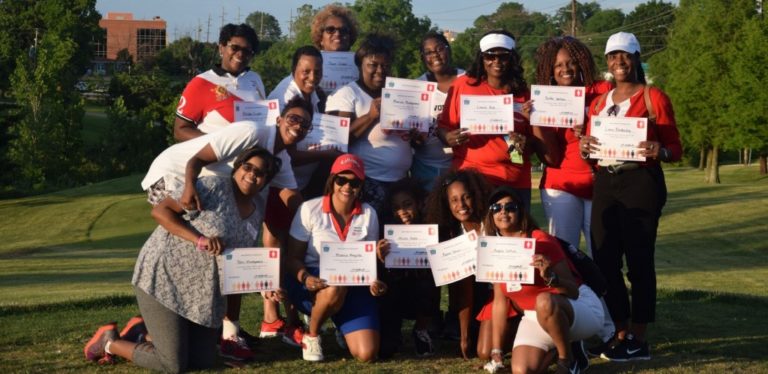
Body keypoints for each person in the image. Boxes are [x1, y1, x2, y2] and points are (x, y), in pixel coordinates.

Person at [84, 147, 282, 372]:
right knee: (173, 364)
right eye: (248, 167)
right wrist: (199, 239)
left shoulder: (257, 213)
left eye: (261, 173)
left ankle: (141, 332)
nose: (253, 174)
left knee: (201, 362)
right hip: (165, 279)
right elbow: (160, 212)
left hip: (204, 296)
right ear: (238, 167)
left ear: (266, 180)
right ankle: (109, 342)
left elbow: (238, 264)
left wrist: (265, 288)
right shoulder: (212, 187)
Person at [142, 97, 313, 358]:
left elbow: (291, 197)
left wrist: (317, 220)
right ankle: (156, 326)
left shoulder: (279, 159)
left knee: (232, 255)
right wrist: (188, 187)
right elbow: (196, 159)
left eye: (305, 125)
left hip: (215, 188)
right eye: (293, 119)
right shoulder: (251, 132)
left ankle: (226, 332)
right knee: (191, 255)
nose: (298, 126)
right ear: (279, 119)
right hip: (176, 175)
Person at [579, 32, 682, 362]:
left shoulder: (654, 98)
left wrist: (660, 149)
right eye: (612, 56)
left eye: (625, 55)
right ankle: (619, 331)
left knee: (639, 261)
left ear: (637, 58)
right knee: (604, 257)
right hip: (606, 180)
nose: (618, 62)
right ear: (607, 62)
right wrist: (585, 149)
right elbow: (594, 151)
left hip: (641, 181)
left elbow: (675, 149)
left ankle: (639, 337)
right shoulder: (599, 102)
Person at [482, 186, 603, 374]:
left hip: (578, 307)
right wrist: (496, 351)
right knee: (522, 370)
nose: (503, 212)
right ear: (491, 215)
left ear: (521, 210)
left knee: (544, 300)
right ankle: (562, 347)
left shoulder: (541, 240)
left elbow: (573, 290)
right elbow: (499, 302)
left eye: (510, 207)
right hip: (534, 317)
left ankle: (567, 360)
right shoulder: (495, 249)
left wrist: (550, 278)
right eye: (496, 208)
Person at [285, 154, 387, 362]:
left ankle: (339, 321)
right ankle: (312, 334)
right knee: (334, 287)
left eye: (355, 182)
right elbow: (292, 258)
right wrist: (305, 278)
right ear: (332, 180)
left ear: (361, 185)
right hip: (315, 280)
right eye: (342, 180)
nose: (347, 187)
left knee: (367, 354)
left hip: (354, 284)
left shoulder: (368, 213)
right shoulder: (309, 209)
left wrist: (374, 277)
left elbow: (368, 262)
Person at [438, 30, 556, 210]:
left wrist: (521, 143)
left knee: (511, 237)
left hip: (513, 180)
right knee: (476, 237)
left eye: (503, 57)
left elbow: (529, 149)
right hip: (472, 179)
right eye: (489, 56)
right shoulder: (463, 86)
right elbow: (442, 127)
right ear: (481, 58)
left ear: (513, 59)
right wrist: (448, 137)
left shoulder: (524, 94)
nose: (496, 62)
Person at [532, 36, 612, 256]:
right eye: (557, 65)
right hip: (562, 184)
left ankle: (605, 292)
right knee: (566, 255)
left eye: (570, 62)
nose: (565, 69)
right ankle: (573, 292)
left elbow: (616, 133)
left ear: (581, 62)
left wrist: (588, 128)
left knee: (603, 252)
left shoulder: (602, 90)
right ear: (549, 69)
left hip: (600, 184)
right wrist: (536, 122)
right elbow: (552, 159)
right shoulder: (545, 101)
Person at [326, 34, 412, 218]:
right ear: (360, 65)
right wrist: (370, 116)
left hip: (401, 181)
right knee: (371, 234)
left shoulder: (399, 93)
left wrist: (415, 135)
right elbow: (339, 141)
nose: (380, 70)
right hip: (369, 181)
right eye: (373, 65)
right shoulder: (348, 94)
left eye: (385, 65)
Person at [425, 169, 493, 359]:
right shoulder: (451, 233)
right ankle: (465, 328)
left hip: (503, 293)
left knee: (490, 349)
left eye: (466, 197)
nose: (461, 205)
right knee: (483, 352)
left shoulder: (494, 220)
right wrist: (464, 338)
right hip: (476, 299)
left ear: (477, 196)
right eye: (454, 200)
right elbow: (461, 290)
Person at [375, 178, 440, 358]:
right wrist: (379, 257)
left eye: (407, 204)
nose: (402, 212)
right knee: (386, 349)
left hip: (421, 292)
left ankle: (421, 330)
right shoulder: (384, 232)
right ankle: (392, 332)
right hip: (393, 294)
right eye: (396, 207)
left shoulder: (431, 228)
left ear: (419, 203)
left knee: (428, 284)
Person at [174, 23, 265, 139]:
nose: (240, 54)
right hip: (218, 156)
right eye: (234, 48)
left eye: (247, 51)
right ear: (221, 47)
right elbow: (180, 130)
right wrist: (216, 145)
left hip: (254, 151)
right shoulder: (200, 83)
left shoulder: (255, 79)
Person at [412, 32, 465, 192]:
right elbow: (412, 135)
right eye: (428, 52)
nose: (435, 55)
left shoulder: (469, 80)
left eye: (439, 49)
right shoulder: (416, 86)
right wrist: (413, 139)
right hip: (426, 167)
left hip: (463, 164)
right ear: (423, 58)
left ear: (449, 50)